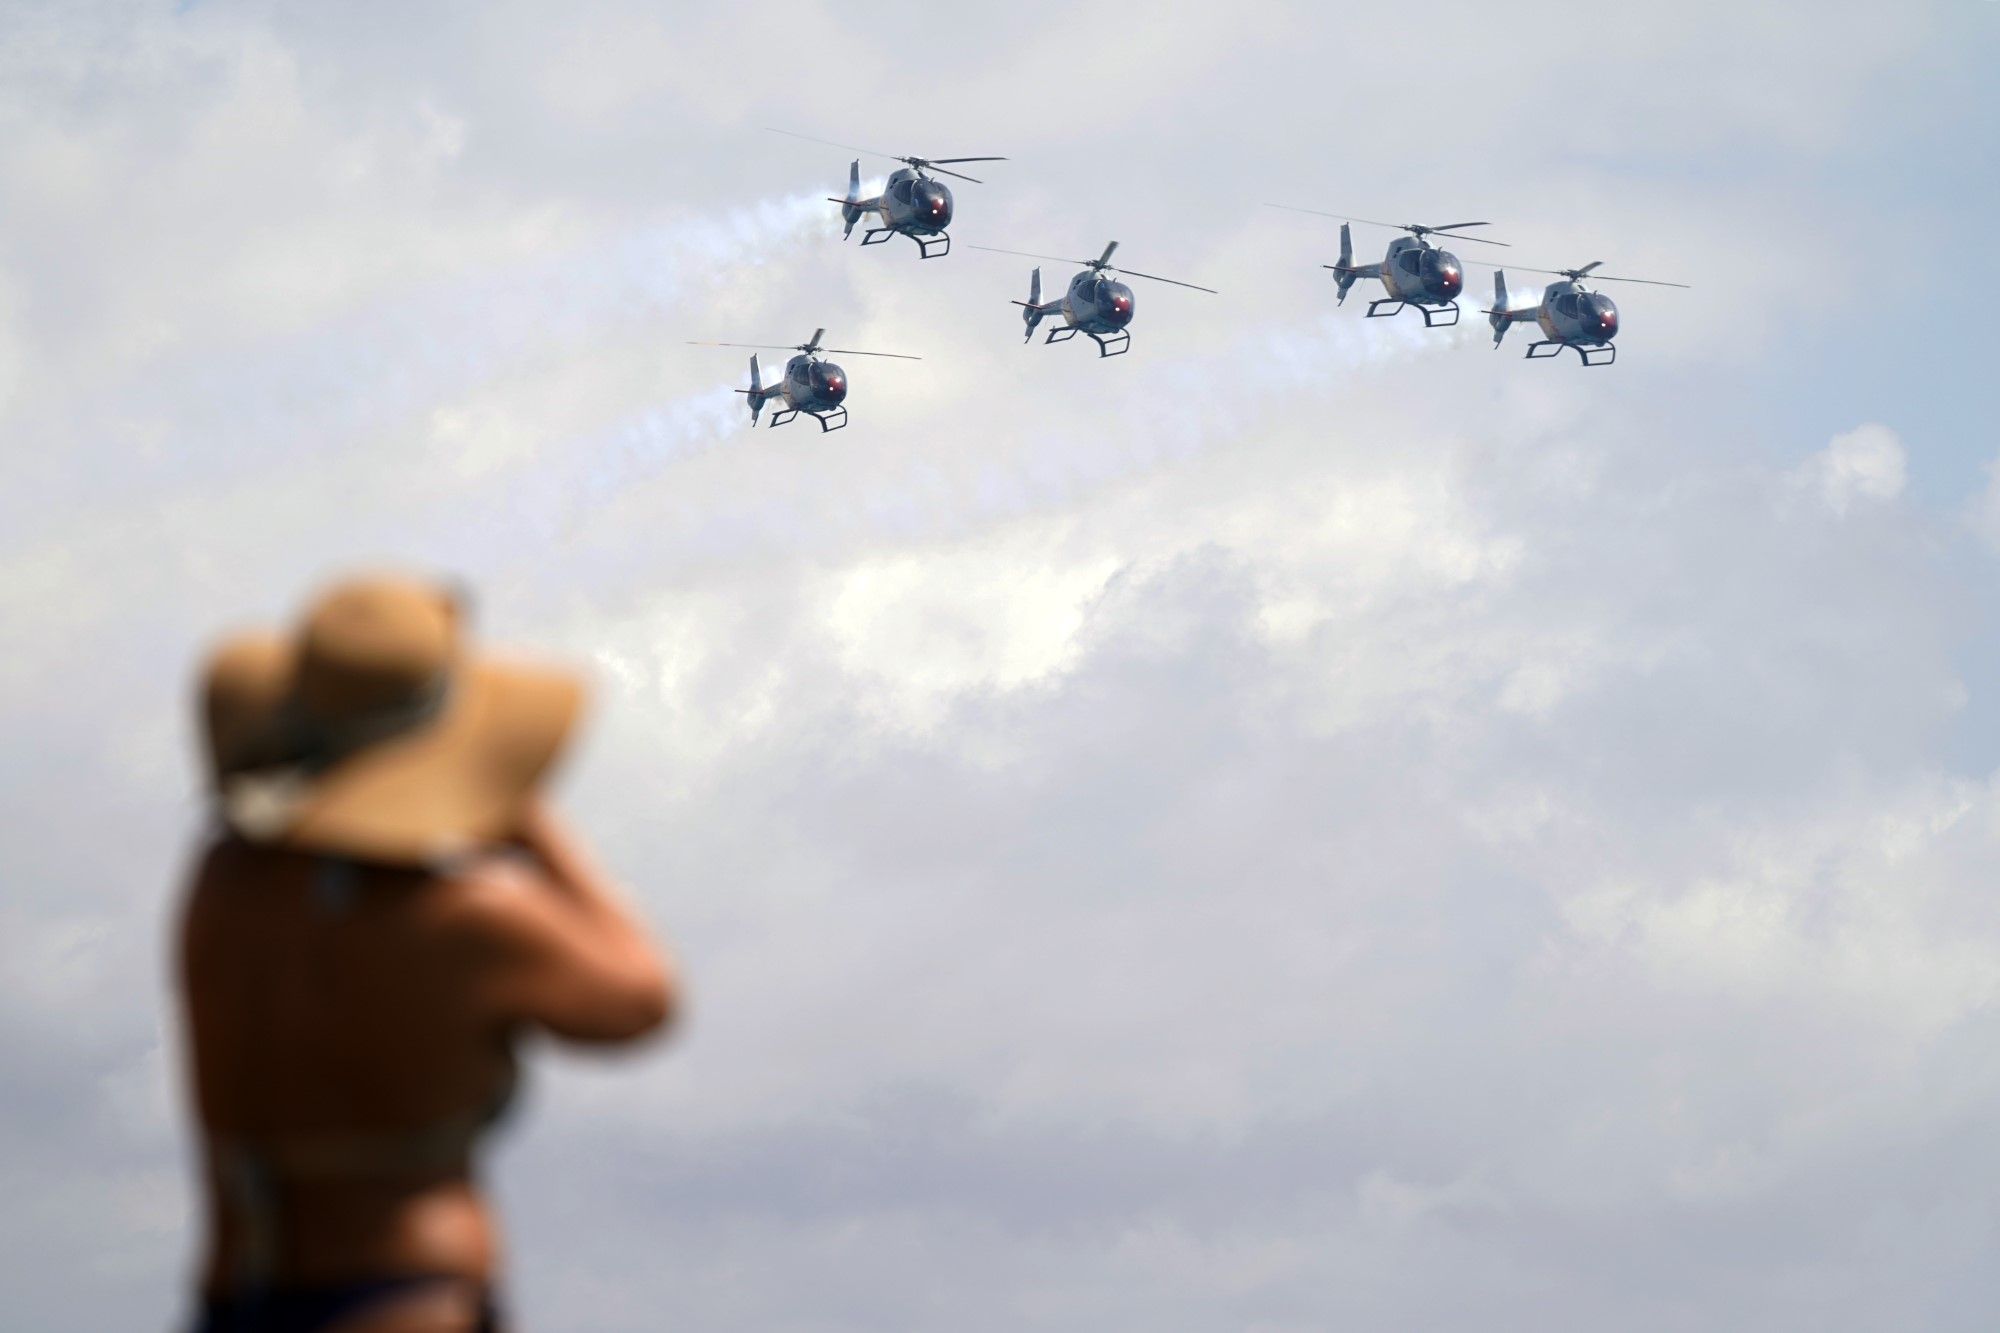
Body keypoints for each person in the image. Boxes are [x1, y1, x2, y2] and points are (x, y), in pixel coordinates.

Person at [176, 573, 676, 1332]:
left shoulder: (224, 884)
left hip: (237, 1294)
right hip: (401, 1294)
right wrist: (524, 817)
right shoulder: (465, 916)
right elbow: (641, 996)